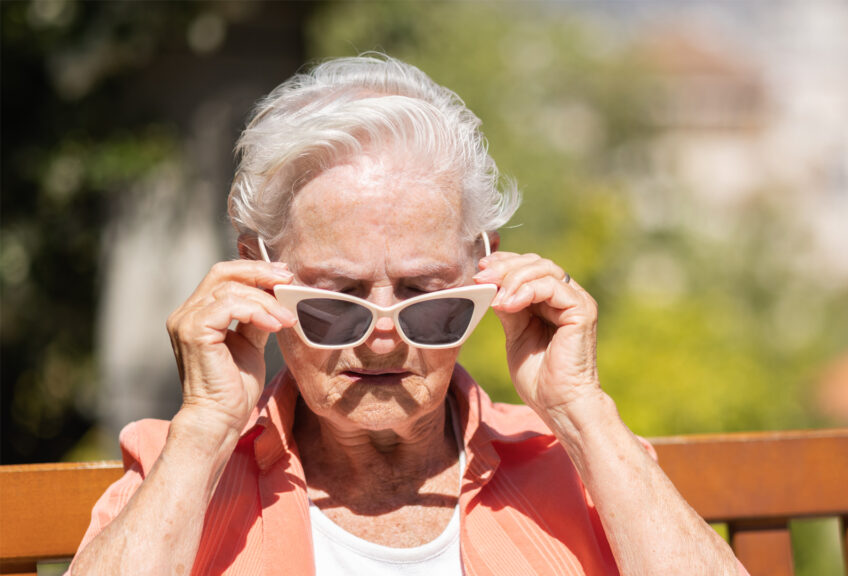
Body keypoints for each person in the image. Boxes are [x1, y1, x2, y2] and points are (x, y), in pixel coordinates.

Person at [69, 54, 746, 576]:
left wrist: (583, 411)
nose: (386, 336)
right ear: (258, 278)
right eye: (336, 301)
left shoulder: (579, 464)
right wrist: (204, 431)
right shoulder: (184, 467)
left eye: (429, 299)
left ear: (486, 276)